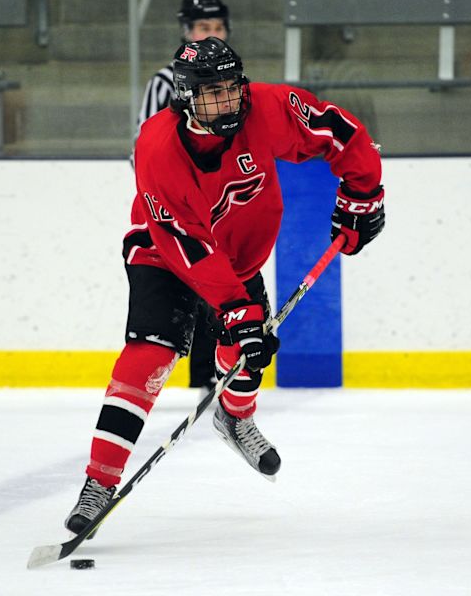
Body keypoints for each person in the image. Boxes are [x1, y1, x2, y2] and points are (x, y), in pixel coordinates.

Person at [65, 37, 385, 536]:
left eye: (232, 89)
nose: (227, 102)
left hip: (236, 256)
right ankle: (100, 481)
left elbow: (340, 132)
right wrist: (237, 306)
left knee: (247, 351)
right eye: (212, 93)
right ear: (187, 97)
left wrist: (362, 194)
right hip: (164, 251)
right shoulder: (156, 145)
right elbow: (187, 245)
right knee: (151, 354)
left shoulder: (270, 107)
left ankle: (234, 419)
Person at [134, 0, 231, 398]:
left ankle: (209, 374)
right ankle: (166, 373)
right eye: (203, 29)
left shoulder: (233, 85)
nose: (213, 35)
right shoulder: (164, 82)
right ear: (187, 33)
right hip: (172, 208)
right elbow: (141, 148)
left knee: (221, 284)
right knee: (177, 285)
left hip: (218, 209)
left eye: (219, 28)